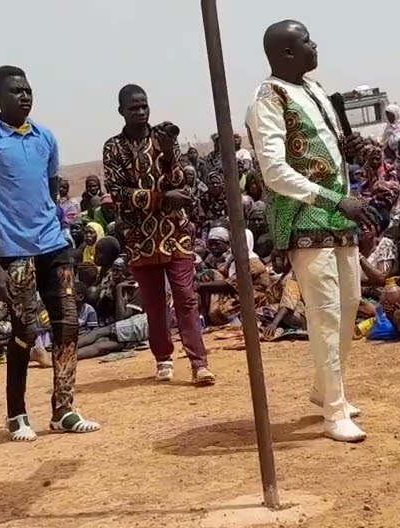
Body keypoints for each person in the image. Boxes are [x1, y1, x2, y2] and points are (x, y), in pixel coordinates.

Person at [247, 19, 380, 443]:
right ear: (285, 53)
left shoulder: (315, 90)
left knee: (351, 303)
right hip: (305, 218)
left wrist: (349, 153)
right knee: (324, 316)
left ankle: (326, 391)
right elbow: (275, 171)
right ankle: (335, 412)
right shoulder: (268, 100)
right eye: (306, 42)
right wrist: (331, 198)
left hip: (339, 216)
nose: (314, 46)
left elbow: (325, 149)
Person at [0, 64, 101, 441]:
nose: (24, 96)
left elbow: (52, 188)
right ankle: (17, 413)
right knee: (24, 330)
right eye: (15, 91)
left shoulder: (45, 138)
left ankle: (64, 408)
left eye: (27, 89)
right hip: (14, 253)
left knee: (68, 325)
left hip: (53, 246)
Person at [102, 84, 215, 385]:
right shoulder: (113, 148)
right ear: (121, 111)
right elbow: (118, 192)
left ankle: (198, 362)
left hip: (175, 232)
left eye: (144, 106)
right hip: (140, 237)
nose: (140, 112)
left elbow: (178, 179)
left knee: (186, 298)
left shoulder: (165, 139)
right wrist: (161, 199)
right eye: (133, 108)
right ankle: (163, 356)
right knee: (153, 303)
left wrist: (167, 154)